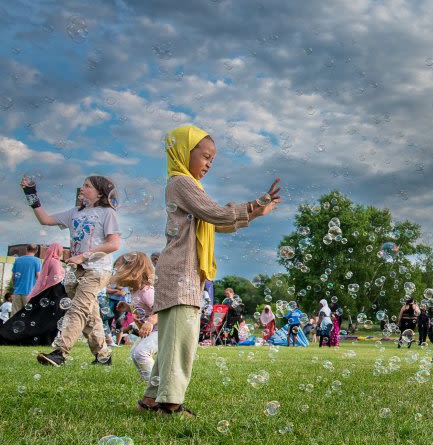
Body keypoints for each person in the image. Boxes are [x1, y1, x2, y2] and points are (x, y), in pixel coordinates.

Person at [136, 125, 280, 416]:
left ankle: (152, 398)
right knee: (181, 341)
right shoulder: (180, 182)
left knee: (170, 342)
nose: (209, 164)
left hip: (183, 273)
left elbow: (218, 223)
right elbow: (215, 213)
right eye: (205, 156)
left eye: (212, 159)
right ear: (183, 152)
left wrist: (254, 213)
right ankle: (170, 404)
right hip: (181, 273)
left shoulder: (188, 186)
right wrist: (255, 202)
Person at [23, 174, 122, 367]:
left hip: (97, 269)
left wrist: (84, 256)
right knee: (90, 315)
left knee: (77, 308)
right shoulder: (74, 213)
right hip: (77, 270)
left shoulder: (107, 213)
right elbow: (44, 219)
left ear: (99, 193)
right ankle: (103, 355)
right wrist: (30, 192)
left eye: (87, 186)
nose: (82, 189)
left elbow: (114, 244)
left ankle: (60, 352)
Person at [110, 252, 159, 386]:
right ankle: (147, 380)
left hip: (163, 330)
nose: (117, 273)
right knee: (134, 353)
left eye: (120, 270)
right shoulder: (136, 290)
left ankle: (155, 385)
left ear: (133, 271)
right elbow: (142, 311)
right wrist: (129, 308)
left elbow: (163, 310)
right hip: (152, 330)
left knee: (141, 353)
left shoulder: (148, 291)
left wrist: (150, 322)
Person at [10, 244, 42, 317]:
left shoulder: (18, 260)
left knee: (14, 316)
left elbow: (13, 277)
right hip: (29, 292)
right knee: (29, 316)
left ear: (26, 249)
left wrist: (16, 287)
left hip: (17, 292)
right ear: (36, 251)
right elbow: (38, 277)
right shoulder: (37, 261)